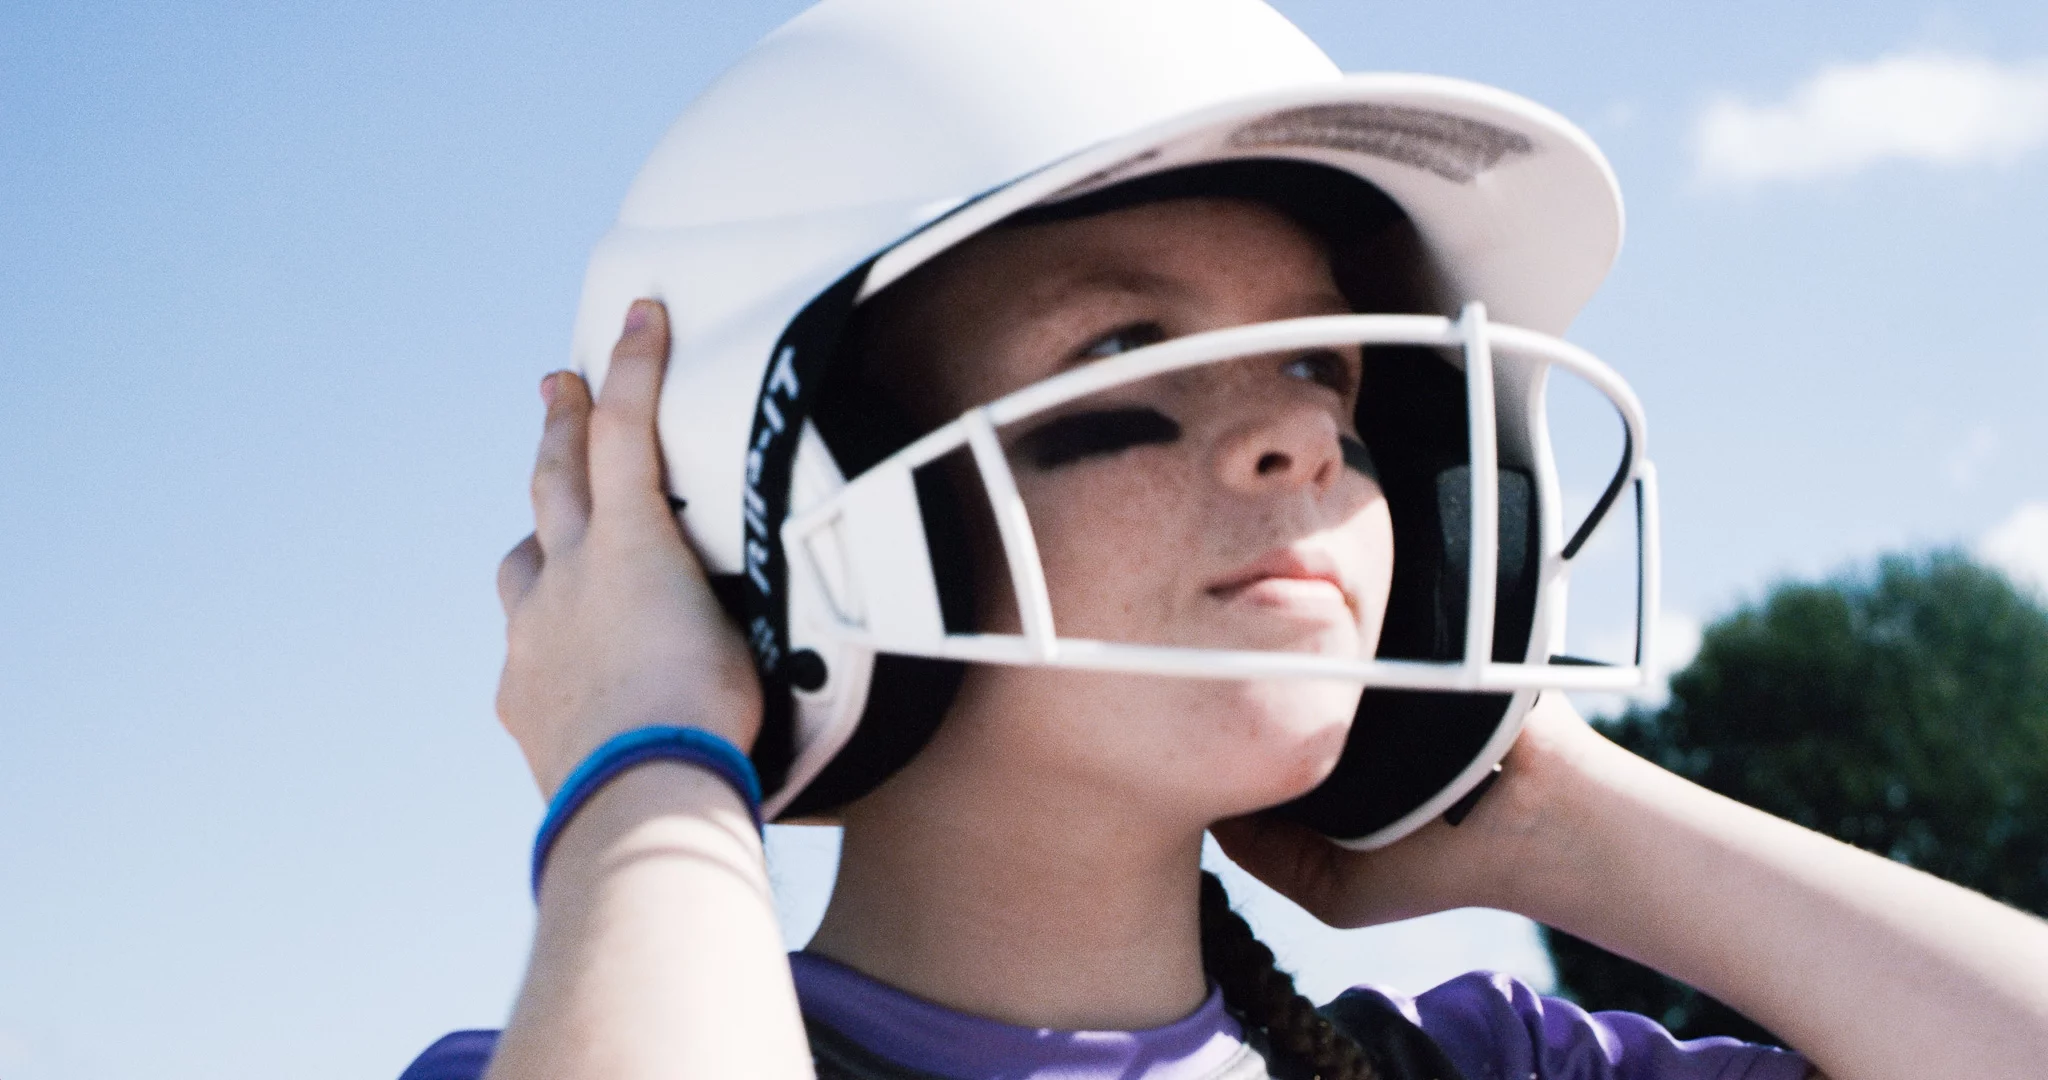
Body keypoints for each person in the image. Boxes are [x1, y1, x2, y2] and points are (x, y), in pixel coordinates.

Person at [404, 2, 2048, 1078]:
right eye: (1130, 354)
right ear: (804, 489)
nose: (1306, 436)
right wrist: (649, 762)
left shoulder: (1481, 1073)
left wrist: (1540, 804)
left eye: (1325, 370)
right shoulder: (598, 1034)